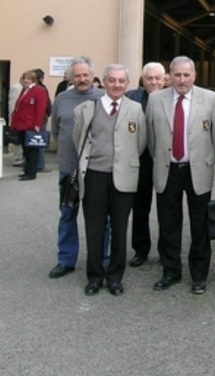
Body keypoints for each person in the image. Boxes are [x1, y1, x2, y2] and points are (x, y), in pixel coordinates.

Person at [146, 56, 215, 294]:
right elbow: (151, 138)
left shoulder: (210, 99)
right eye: (177, 75)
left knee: (200, 224)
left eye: (186, 75)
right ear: (169, 76)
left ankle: (199, 274)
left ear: (194, 76)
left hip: (197, 170)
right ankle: (171, 270)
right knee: (168, 224)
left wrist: (209, 160)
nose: (182, 80)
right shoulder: (156, 99)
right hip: (168, 170)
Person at [73, 64, 146, 296]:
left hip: (124, 177)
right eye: (112, 80)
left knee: (120, 228)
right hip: (95, 174)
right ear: (103, 82)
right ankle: (94, 276)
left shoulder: (135, 109)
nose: (116, 85)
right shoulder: (87, 108)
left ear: (127, 84)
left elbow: (141, 142)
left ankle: (115, 276)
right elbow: (78, 140)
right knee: (94, 229)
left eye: (121, 81)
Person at [49, 56, 110, 279]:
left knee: (101, 218)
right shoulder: (62, 99)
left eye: (86, 75)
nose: (82, 79)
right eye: (78, 75)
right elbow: (56, 131)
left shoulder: (103, 98)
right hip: (69, 169)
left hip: (96, 169)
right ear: (70, 77)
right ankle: (65, 260)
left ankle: (103, 259)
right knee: (67, 214)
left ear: (92, 76)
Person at [125, 62, 166, 267]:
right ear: (143, 80)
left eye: (158, 78)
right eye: (149, 78)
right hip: (140, 161)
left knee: (167, 209)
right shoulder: (132, 97)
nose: (154, 82)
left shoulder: (172, 98)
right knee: (140, 208)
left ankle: (166, 251)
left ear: (165, 79)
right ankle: (140, 249)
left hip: (166, 161)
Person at [10, 70, 49, 181]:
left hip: (30, 124)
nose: (26, 80)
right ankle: (27, 170)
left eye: (28, 78)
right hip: (22, 124)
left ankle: (31, 173)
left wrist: (37, 124)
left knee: (32, 150)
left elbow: (40, 109)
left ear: (33, 80)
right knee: (25, 149)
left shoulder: (39, 91)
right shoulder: (24, 90)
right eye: (24, 78)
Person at [33, 68, 53, 173]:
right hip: (40, 119)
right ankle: (40, 165)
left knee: (33, 142)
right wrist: (47, 114)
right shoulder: (42, 89)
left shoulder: (32, 88)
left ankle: (34, 164)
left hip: (36, 119)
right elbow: (47, 105)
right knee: (39, 142)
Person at [8, 79, 24, 167]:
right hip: (17, 119)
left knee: (20, 140)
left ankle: (19, 158)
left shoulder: (24, 88)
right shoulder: (17, 88)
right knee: (17, 140)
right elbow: (13, 104)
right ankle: (17, 159)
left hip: (21, 119)